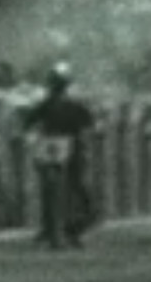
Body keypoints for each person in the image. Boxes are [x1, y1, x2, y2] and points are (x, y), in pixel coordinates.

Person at [18, 63, 97, 246]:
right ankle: (56, 228)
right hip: (55, 151)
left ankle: (64, 228)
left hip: (66, 150)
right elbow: (29, 123)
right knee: (60, 188)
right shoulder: (54, 105)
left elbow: (28, 123)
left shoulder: (61, 105)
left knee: (72, 188)